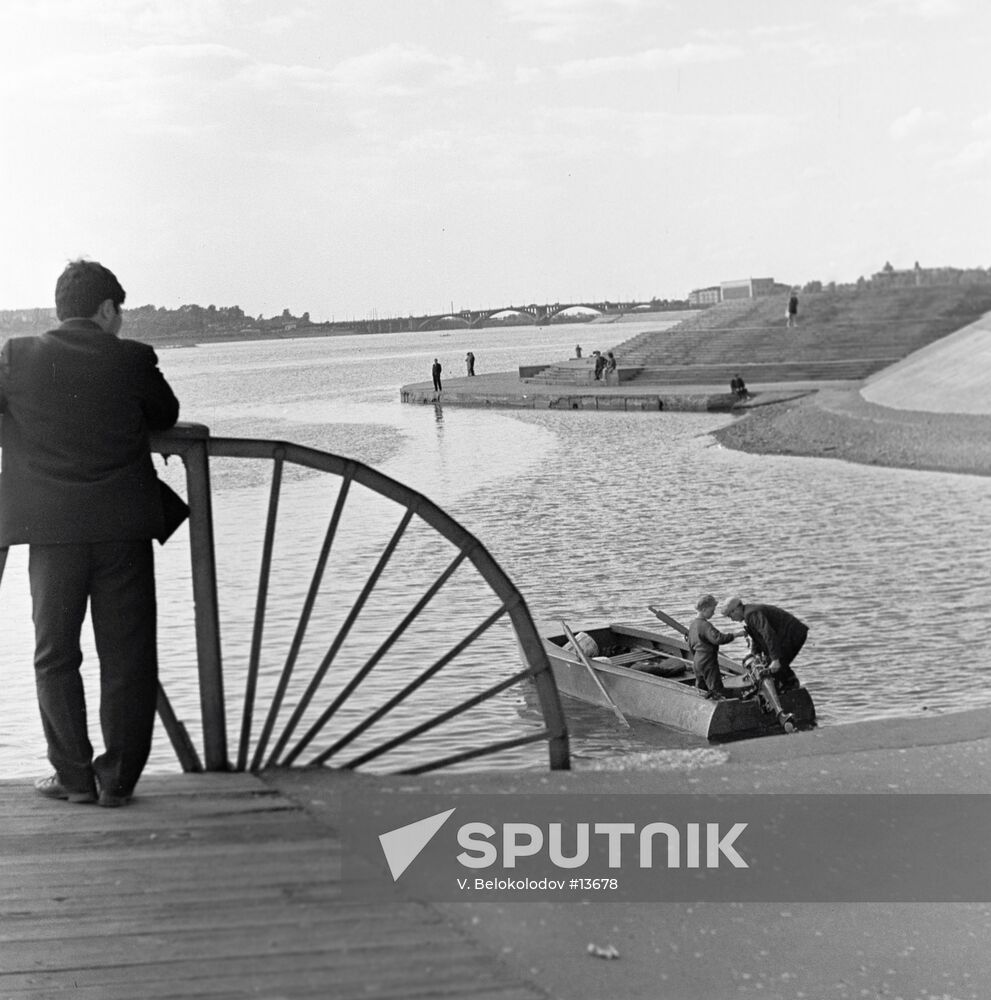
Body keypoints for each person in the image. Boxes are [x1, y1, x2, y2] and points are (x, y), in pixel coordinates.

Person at [0, 260, 181, 807]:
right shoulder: (130, 358)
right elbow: (166, 414)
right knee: (126, 654)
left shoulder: (16, 356)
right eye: (119, 311)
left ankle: (73, 776)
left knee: (54, 654)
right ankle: (118, 780)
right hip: (122, 528)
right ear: (106, 309)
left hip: (50, 531)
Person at [720, 595, 808, 692]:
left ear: (735, 610)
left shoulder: (751, 614)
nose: (732, 619)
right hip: (788, 635)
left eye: (730, 616)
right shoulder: (748, 613)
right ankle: (787, 686)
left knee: (774, 668)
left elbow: (768, 634)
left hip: (793, 634)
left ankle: (788, 690)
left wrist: (775, 659)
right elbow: (758, 636)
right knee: (772, 665)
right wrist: (754, 653)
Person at [687, 594, 745, 699]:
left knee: (701, 688)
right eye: (712, 610)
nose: (713, 613)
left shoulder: (693, 625)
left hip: (697, 661)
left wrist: (697, 657)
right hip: (708, 661)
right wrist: (736, 634)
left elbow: (690, 645)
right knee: (716, 689)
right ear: (704, 609)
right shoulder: (705, 625)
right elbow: (718, 639)